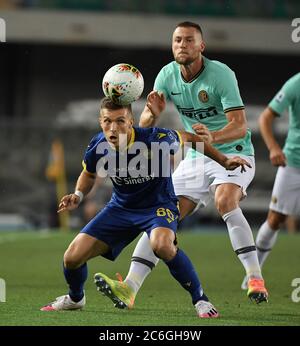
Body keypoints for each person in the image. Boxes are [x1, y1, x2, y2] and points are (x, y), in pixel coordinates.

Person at [101, 21, 268, 307]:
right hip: (195, 154)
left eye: (189, 40)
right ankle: (129, 287)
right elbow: (143, 125)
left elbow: (240, 126)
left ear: (201, 46)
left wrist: (213, 136)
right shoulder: (167, 74)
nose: (182, 45)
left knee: (226, 199)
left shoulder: (221, 75)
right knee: (164, 215)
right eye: (177, 40)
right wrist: (151, 115)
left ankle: (255, 277)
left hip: (234, 150)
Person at [40, 97, 250, 317]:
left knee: (162, 245)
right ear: (100, 122)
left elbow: (190, 138)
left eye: (120, 121)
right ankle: (75, 298)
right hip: (120, 208)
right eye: (107, 121)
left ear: (131, 121)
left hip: (158, 206)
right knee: (71, 257)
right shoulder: (98, 144)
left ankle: (201, 300)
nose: (113, 128)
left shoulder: (155, 138)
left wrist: (224, 161)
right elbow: (89, 173)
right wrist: (78, 194)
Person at [241, 72, 300, 289]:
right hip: (293, 163)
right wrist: (274, 148)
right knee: (275, 219)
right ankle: (253, 275)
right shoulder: (295, 83)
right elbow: (265, 118)